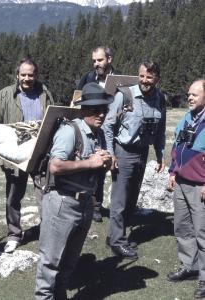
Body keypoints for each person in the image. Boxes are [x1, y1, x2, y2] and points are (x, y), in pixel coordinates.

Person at [35, 82, 113, 299]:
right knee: (50, 261)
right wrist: (90, 164)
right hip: (62, 202)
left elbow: (98, 164)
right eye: (96, 109)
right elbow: (56, 166)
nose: (101, 114)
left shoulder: (99, 134)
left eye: (104, 109)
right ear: (84, 109)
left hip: (85, 202)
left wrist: (105, 163)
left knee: (69, 262)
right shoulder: (70, 131)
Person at [0, 58, 54, 253]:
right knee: (13, 196)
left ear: (36, 75)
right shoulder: (5, 95)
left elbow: (54, 119)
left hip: (40, 152)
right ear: (17, 75)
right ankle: (14, 235)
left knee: (45, 194)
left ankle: (48, 233)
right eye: (23, 74)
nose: (27, 78)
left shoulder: (44, 93)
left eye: (31, 74)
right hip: (15, 153)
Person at [103, 60, 166, 260]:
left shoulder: (160, 98)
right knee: (119, 200)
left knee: (131, 199)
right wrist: (111, 153)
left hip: (142, 153)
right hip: (123, 152)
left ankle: (115, 234)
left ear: (156, 78)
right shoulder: (125, 95)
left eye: (149, 77)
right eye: (141, 76)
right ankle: (117, 242)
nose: (144, 81)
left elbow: (161, 129)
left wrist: (160, 154)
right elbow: (108, 126)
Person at [167, 79, 205, 299]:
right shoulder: (187, 117)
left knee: (202, 232)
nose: (190, 97)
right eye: (188, 94)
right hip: (181, 182)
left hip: (199, 185)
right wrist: (173, 172)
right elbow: (177, 146)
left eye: (195, 95)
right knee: (182, 227)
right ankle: (188, 266)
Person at [77, 46, 121, 222]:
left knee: (105, 167)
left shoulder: (119, 79)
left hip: (112, 128)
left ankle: (100, 205)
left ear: (109, 59)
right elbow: (78, 97)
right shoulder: (88, 78)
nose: (96, 64)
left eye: (100, 60)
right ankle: (90, 203)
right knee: (91, 162)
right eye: (94, 60)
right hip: (93, 127)